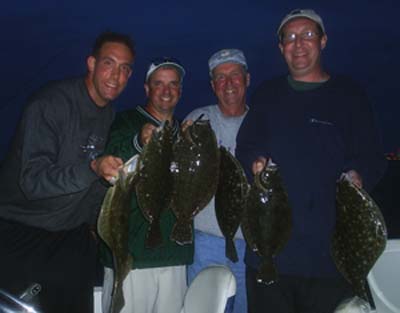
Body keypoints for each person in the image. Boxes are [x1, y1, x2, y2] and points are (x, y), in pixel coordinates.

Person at [236, 9, 387, 313]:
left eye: (307, 35)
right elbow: (246, 145)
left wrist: (359, 174)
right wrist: (255, 159)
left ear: (323, 41)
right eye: (290, 38)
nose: (299, 43)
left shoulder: (349, 94)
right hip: (269, 257)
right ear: (281, 49)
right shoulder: (268, 93)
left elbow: (373, 157)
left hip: (331, 262)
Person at [0, 31, 135, 313]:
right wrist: (92, 168)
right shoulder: (50, 105)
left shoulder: (108, 115)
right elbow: (32, 182)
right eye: (109, 63)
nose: (116, 75)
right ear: (91, 63)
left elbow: (94, 185)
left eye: (125, 69)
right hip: (23, 234)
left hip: (72, 238)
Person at [100, 57, 193, 313]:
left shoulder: (186, 133)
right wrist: (139, 141)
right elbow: (113, 158)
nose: (166, 90)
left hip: (174, 254)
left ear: (180, 91)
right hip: (130, 254)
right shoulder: (126, 121)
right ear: (146, 88)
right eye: (159, 83)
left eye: (173, 84)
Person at [185, 49, 249, 313]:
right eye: (220, 78)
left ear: (247, 79)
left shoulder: (263, 122)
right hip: (205, 241)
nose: (229, 83)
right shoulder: (198, 120)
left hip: (249, 242)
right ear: (213, 86)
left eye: (235, 75)